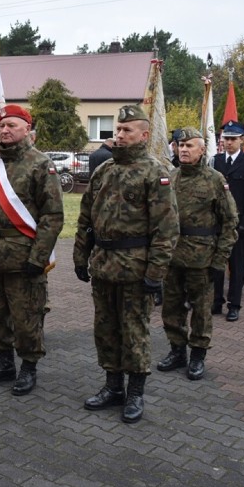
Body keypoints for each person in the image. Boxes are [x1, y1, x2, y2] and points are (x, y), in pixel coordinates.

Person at [73, 104, 179, 423]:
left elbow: (166, 229)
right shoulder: (104, 170)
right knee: (105, 329)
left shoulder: (155, 172)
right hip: (103, 265)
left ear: (144, 135)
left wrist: (156, 273)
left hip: (136, 268)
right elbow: (85, 218)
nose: (119, 135)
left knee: (134, 331)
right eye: (117, 130)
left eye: (126, 130)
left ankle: (135, 393)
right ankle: (112, 386)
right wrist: (81, 255)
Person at [0, 104, 63, 396]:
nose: (5, 131)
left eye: (12, 126)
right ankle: (5, 363)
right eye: (1, 126)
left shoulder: (41, 165)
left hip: (24, 257)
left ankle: (28, 367)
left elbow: (52, 216)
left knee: (26, 316)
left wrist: (38, 257)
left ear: (27, 129)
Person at [157, 127, 236, 380]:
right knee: (171, 307)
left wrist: (220, 259)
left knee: (201, 310)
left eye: (190, 146)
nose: (183, 150)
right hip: (172, 257)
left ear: (202, 150)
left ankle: (198, 355)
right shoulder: (171, 177)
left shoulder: (215, 179)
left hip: (201, 258)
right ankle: (177, 350)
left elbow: (230, 222)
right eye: (180, 145)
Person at [211, 121, 244, 322]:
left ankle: (234, 305)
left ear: (241, 140)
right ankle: (216, 301)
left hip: (237, 224)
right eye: (226, 139)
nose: (229, 142)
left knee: (237, 266)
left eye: (233, 139)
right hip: (216, 224)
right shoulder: (215, 161)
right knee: (216, 265)